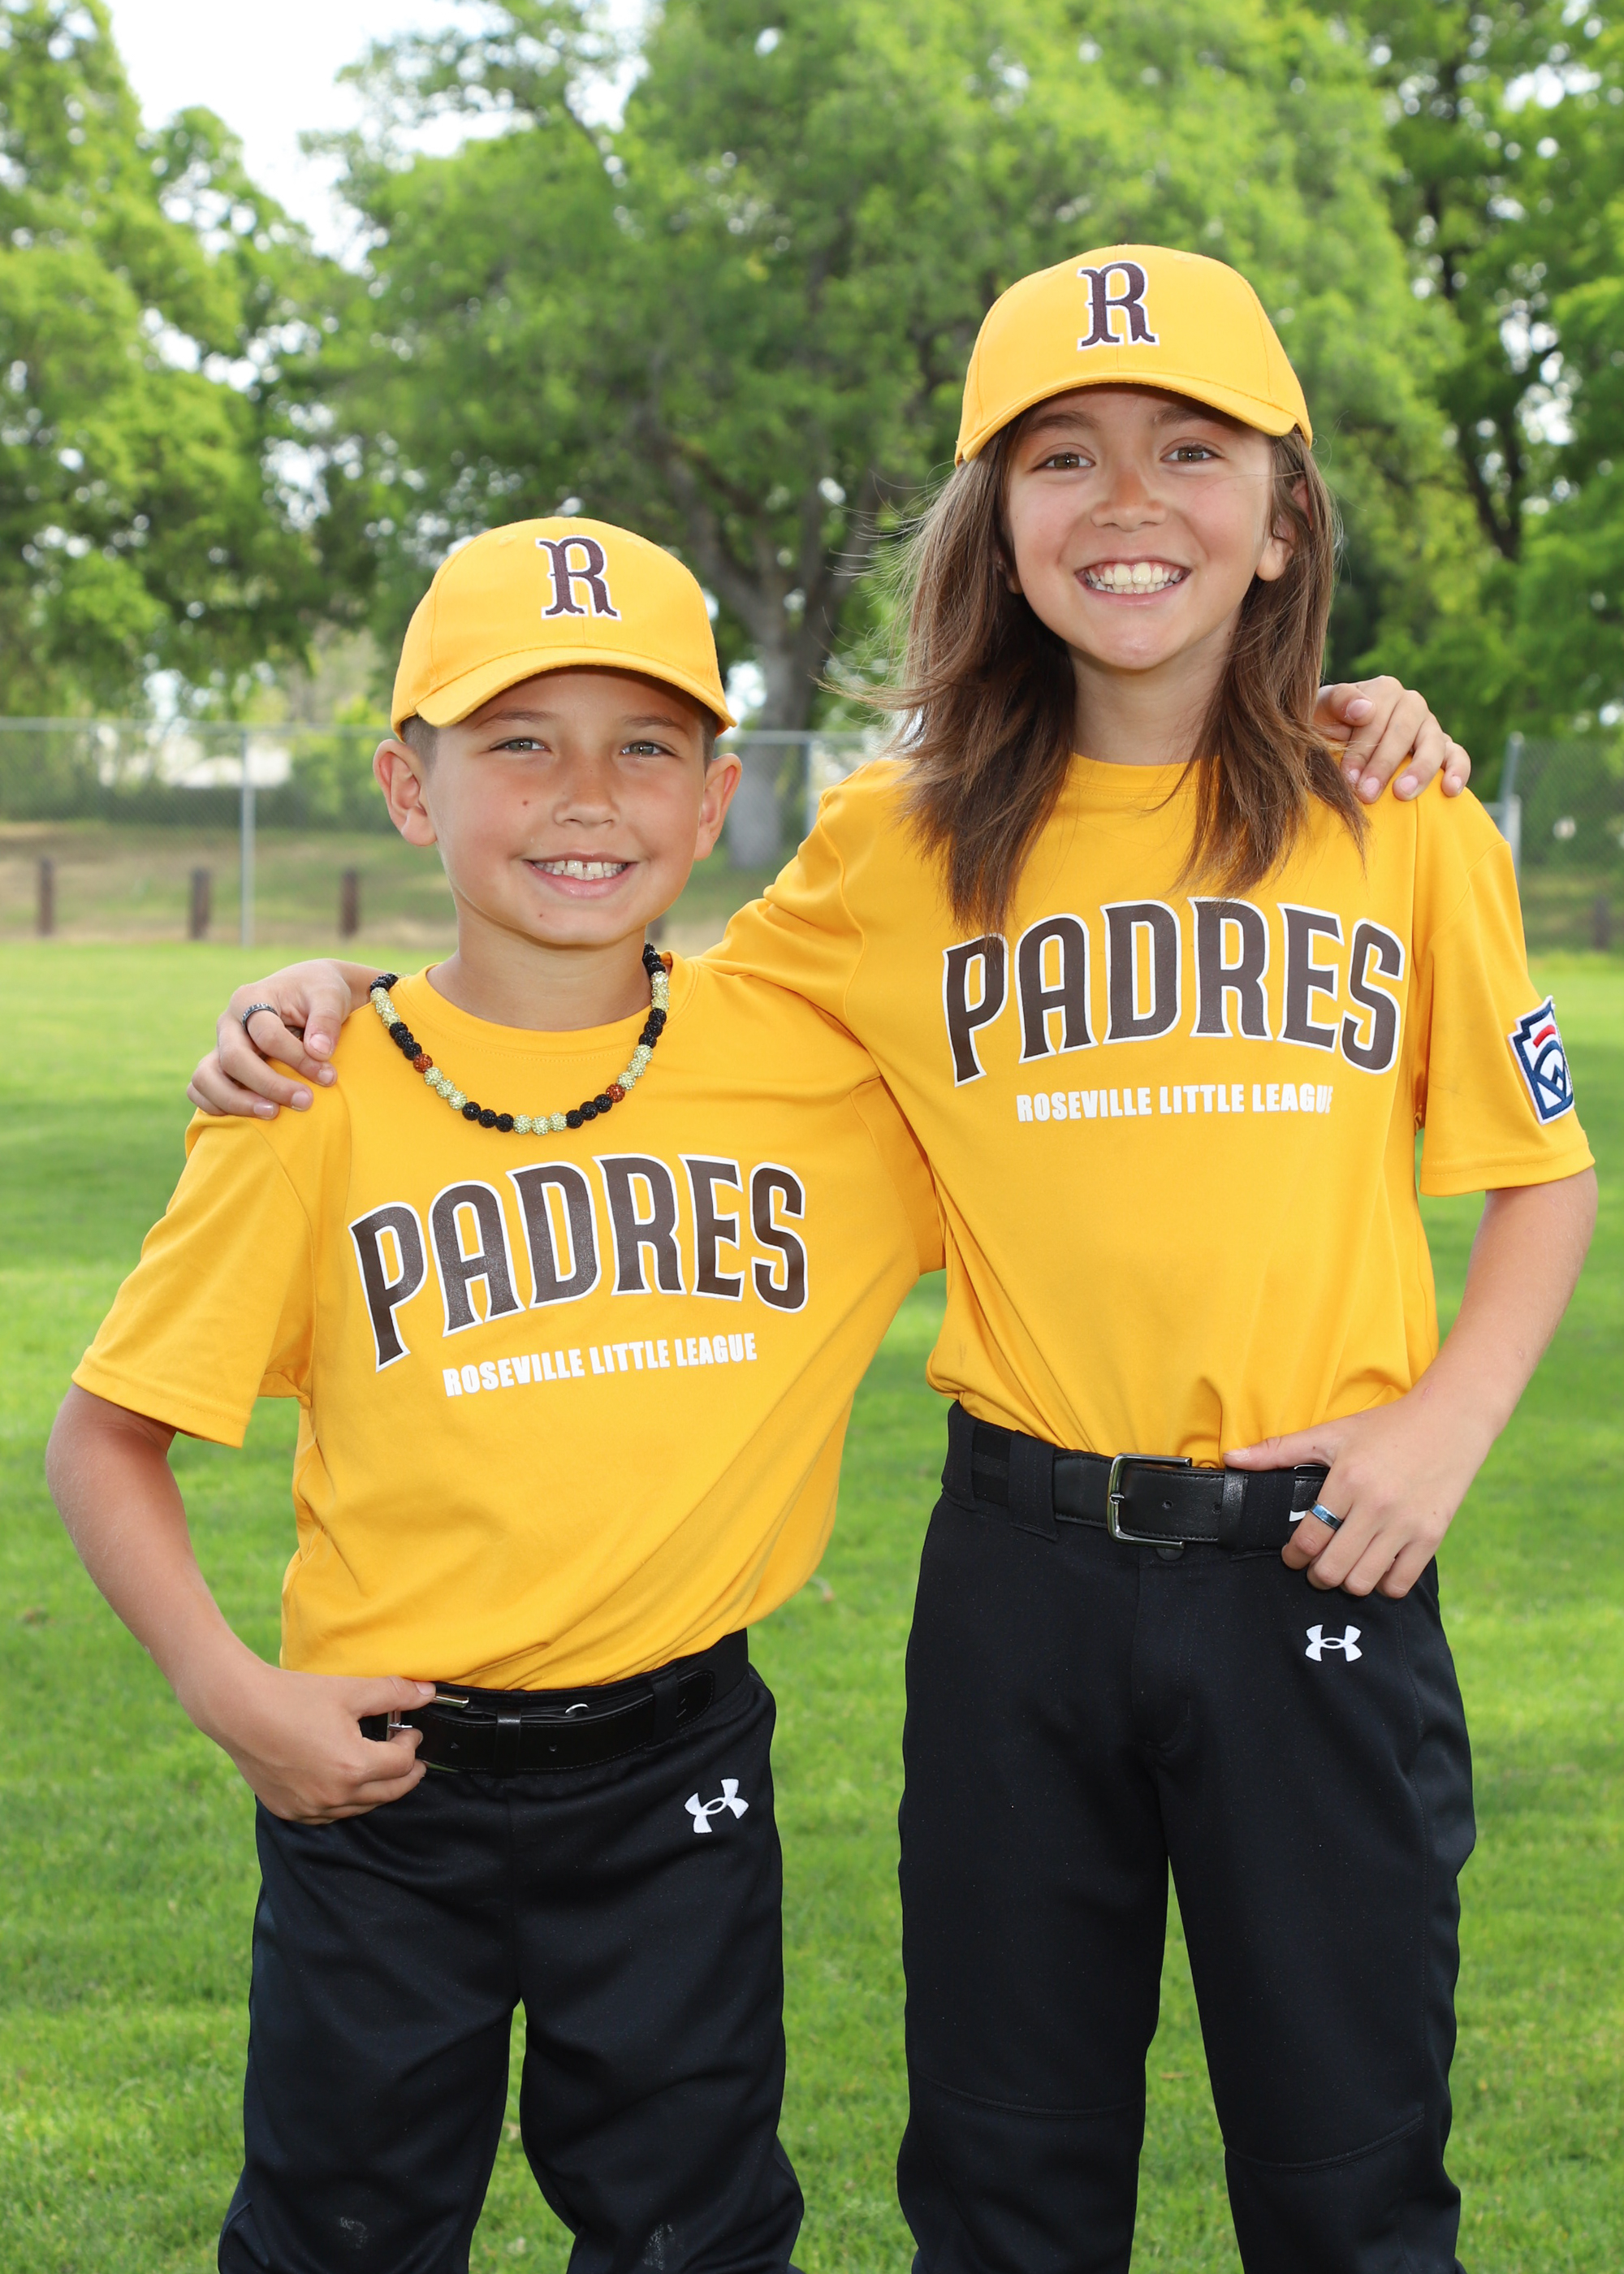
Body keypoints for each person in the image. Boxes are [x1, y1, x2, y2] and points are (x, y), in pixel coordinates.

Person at [186, 249, 1576, 2274]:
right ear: (994, 528)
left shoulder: (1403, 820)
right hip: (1021, 1576)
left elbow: (1541, 1172)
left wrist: (1446, 1426)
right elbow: (605, 982)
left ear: (1284, 518)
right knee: (1006, 2179)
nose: (1126, 500)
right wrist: (343, 995)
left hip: (1312, 1563)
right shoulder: (895, 843)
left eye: (1190, 452)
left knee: (1348, 2178)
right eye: (1061, 457)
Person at [46, 517, 941, 2274]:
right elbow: (107, 1435)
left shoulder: (819, 1077)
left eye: (645, 747)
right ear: (409, 787)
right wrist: (232, 1696)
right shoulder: (311, 1093)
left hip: (679, 1758)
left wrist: (1310, 718)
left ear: (716, 798)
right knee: (344, 2229)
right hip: (383, 1777)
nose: (585, 796)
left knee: (695, 2230)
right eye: (520, 741)